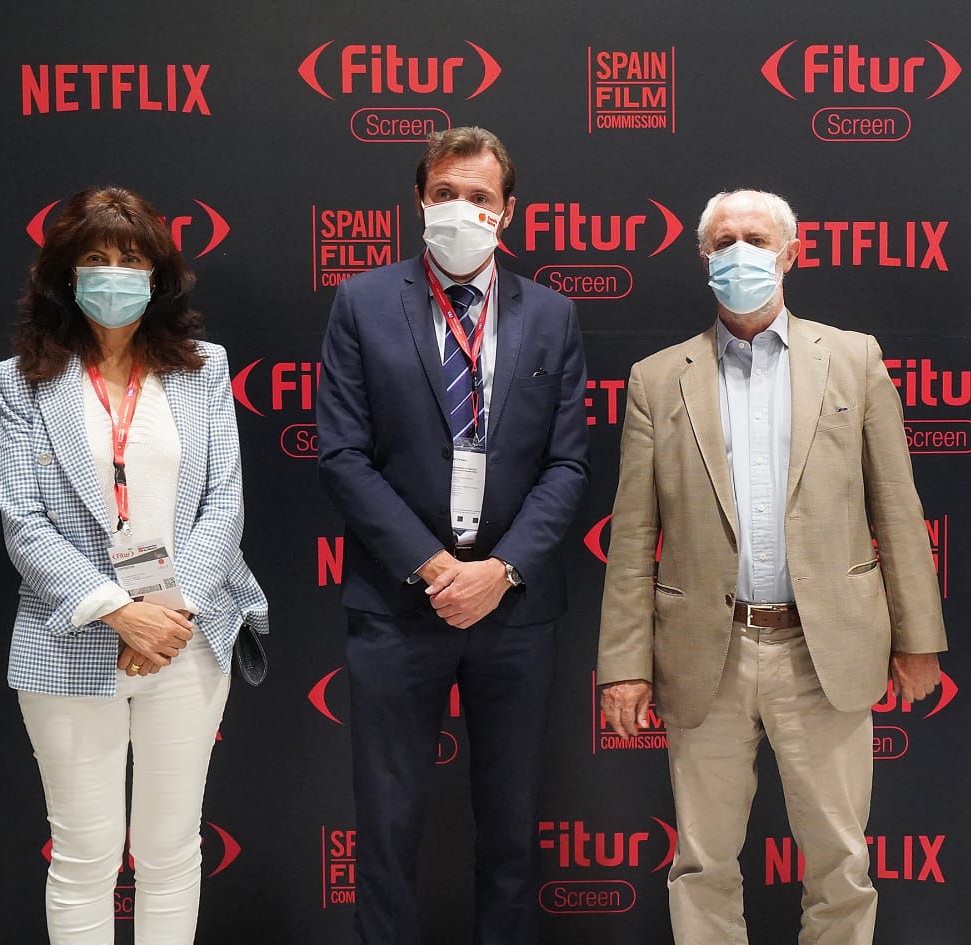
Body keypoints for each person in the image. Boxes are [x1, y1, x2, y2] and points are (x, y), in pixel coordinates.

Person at [595, 189, 947, 945]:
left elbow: (896, 506)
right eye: (723, 242)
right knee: (702, 863)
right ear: (703, 258)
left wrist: (918, 637)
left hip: (825, 652)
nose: (739, 254)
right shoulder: (657, 378)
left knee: (841, 862)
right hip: (705, 652)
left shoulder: (853, 359)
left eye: (756, 239)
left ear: (792, 253)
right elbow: (631, 537)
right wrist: (623, 664)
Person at [315, 126, 589, 945]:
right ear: (418, 201)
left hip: (515, 610)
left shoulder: (552, 315)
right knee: (387, 827)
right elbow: (342, 455)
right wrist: (435, 566)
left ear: (508, 211)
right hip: (398, 604)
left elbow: (567, 465)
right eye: (444, 194)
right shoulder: (362, 303)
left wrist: (500, 570)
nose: (460, 209)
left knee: (512, 829)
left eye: (479, 197)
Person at [0, 186, 269, 945]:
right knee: (84, 855)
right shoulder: (21, 380)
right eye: (95, 258)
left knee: (171, 849)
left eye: (131, 259)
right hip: (70, 640)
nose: (113, 274)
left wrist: (167, 616)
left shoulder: (203, 369)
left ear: (158, 275)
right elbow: (23, 518)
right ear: (65, 274)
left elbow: (224, 503)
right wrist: (120, 611)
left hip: (186, 637)